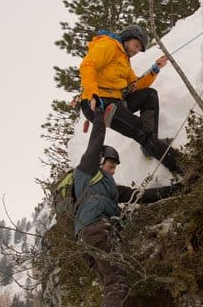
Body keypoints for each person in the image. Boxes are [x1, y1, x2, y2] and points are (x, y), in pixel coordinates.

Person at [74, 106, 184, 307]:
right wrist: (98, 113)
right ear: (99, 162)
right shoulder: (88, 169)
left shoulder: (111, 189)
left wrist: (177, 189)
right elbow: (97, 137)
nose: (113, 171)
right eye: (111, 166)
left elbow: (142, 196)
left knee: (113, 284)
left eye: (115, 168)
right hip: (95, 231)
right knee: (116, 281)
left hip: (84, 240)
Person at [78, 24, 183, 174]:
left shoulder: (124, 60)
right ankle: (183, 165)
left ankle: (151, 145)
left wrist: (155, 69)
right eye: (136, 45)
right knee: (140, 131)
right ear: (128, 37)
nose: (135, 50)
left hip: (114, 101)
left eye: (138, 49)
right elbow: (88, 65)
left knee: (149, 95)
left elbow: (135, 85)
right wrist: (92, 95)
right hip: (99, 102)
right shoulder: (109, 45)